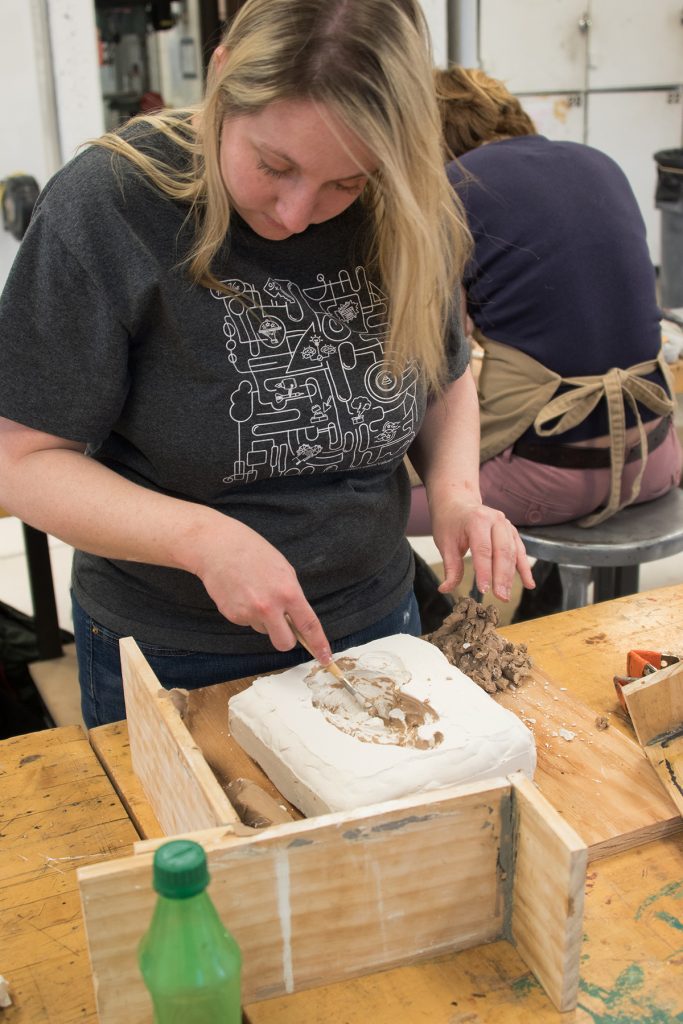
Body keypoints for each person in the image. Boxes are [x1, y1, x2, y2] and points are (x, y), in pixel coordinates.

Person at [0, 3, 533, 728]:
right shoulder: (110, 205)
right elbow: (22, 458)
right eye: (273, 165)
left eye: (345, 184)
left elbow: (440, 379)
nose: (294, 212)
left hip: (377, 620)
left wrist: (456, 494)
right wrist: (201, 539)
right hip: (178, 649)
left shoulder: (406, 207)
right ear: (222, 78)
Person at [409, 66, 682, 547]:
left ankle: (433, 610)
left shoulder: (452, 187)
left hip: (547, 477)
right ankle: (547, 594)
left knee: (366, 504)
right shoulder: (599, 161)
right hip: (656, 454)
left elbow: (432, 352)